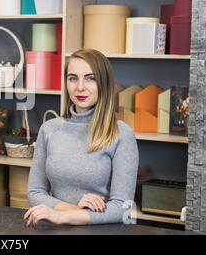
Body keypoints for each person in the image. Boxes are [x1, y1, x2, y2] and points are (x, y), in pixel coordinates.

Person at [24, 49, 138, 226]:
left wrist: (62, 216)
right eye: (73, 78)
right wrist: (75, 210)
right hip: (56, 229)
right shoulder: (49, 129)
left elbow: (122, 208)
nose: (80, 87)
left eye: (90, 78)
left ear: (104, 83)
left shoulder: (121, 134)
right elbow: (35, 192)